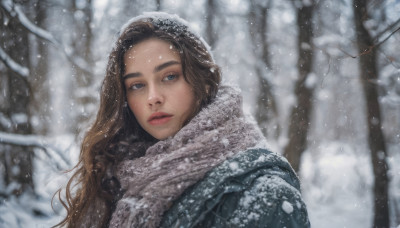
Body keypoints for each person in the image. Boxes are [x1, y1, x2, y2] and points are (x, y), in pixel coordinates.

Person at [54, 12, 310, 228]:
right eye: (137, 85)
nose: (152, 98)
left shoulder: (265, 197)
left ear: (201, 79)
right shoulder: (116, 176)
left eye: (169, 77)